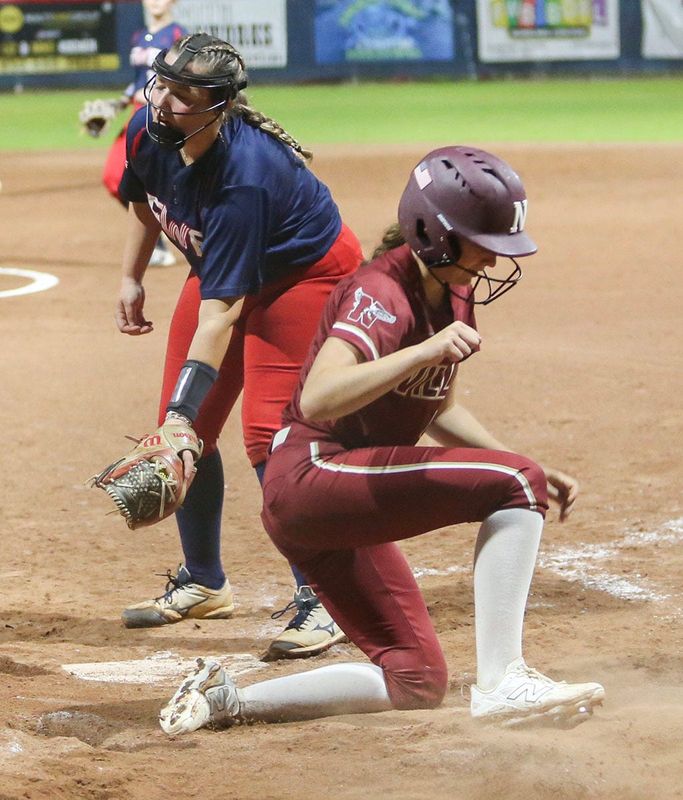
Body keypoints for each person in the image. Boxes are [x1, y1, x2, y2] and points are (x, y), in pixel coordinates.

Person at [158, 146, 605, 734]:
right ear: (434, 234)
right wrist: (423, 352)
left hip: (339, 494)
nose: (496, 258)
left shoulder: (454, 286)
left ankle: (225, 700)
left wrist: (518, 462)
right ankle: (503, 681)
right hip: (311, 478)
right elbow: (318, 397)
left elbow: (435, 403)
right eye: (484, 241)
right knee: (517, 482)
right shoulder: (381, 293)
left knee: (415, 679)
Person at [114, 33, 362, 659]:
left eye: (182, 93)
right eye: (161, 84)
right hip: (224, 263)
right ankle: (203, 582)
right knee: (185, 431)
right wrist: (131, 276)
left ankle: (324, 597)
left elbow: (220, 315)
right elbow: (149, 204)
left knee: (269, 436)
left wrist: (179, 413)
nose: (163, 99)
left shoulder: (245, 178)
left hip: (303, 273)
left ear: (219, 105)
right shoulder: (148, 128)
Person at [82, 0, 186, 266]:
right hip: (136, 114)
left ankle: (180, 237)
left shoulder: (177, 35)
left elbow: (180, 79)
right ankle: (160, 241)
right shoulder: (139, 36)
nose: (155, 2)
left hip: (160, 114)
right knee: (115, 177)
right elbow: (138, 80)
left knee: (165, 182)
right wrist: (118, 104)